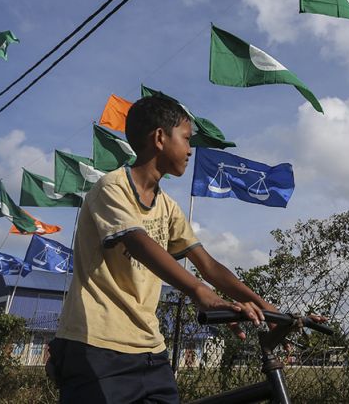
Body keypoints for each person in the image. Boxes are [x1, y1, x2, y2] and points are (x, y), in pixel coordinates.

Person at [49, 96, 276, 403]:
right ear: (159, 138)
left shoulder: (168, 207)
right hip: (96, 346)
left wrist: (265, 306)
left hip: (150, 351)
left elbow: (208, 265)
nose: (191, 149)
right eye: (186, 138)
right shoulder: (111, 188)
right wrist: (199, 292)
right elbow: (138, 243)